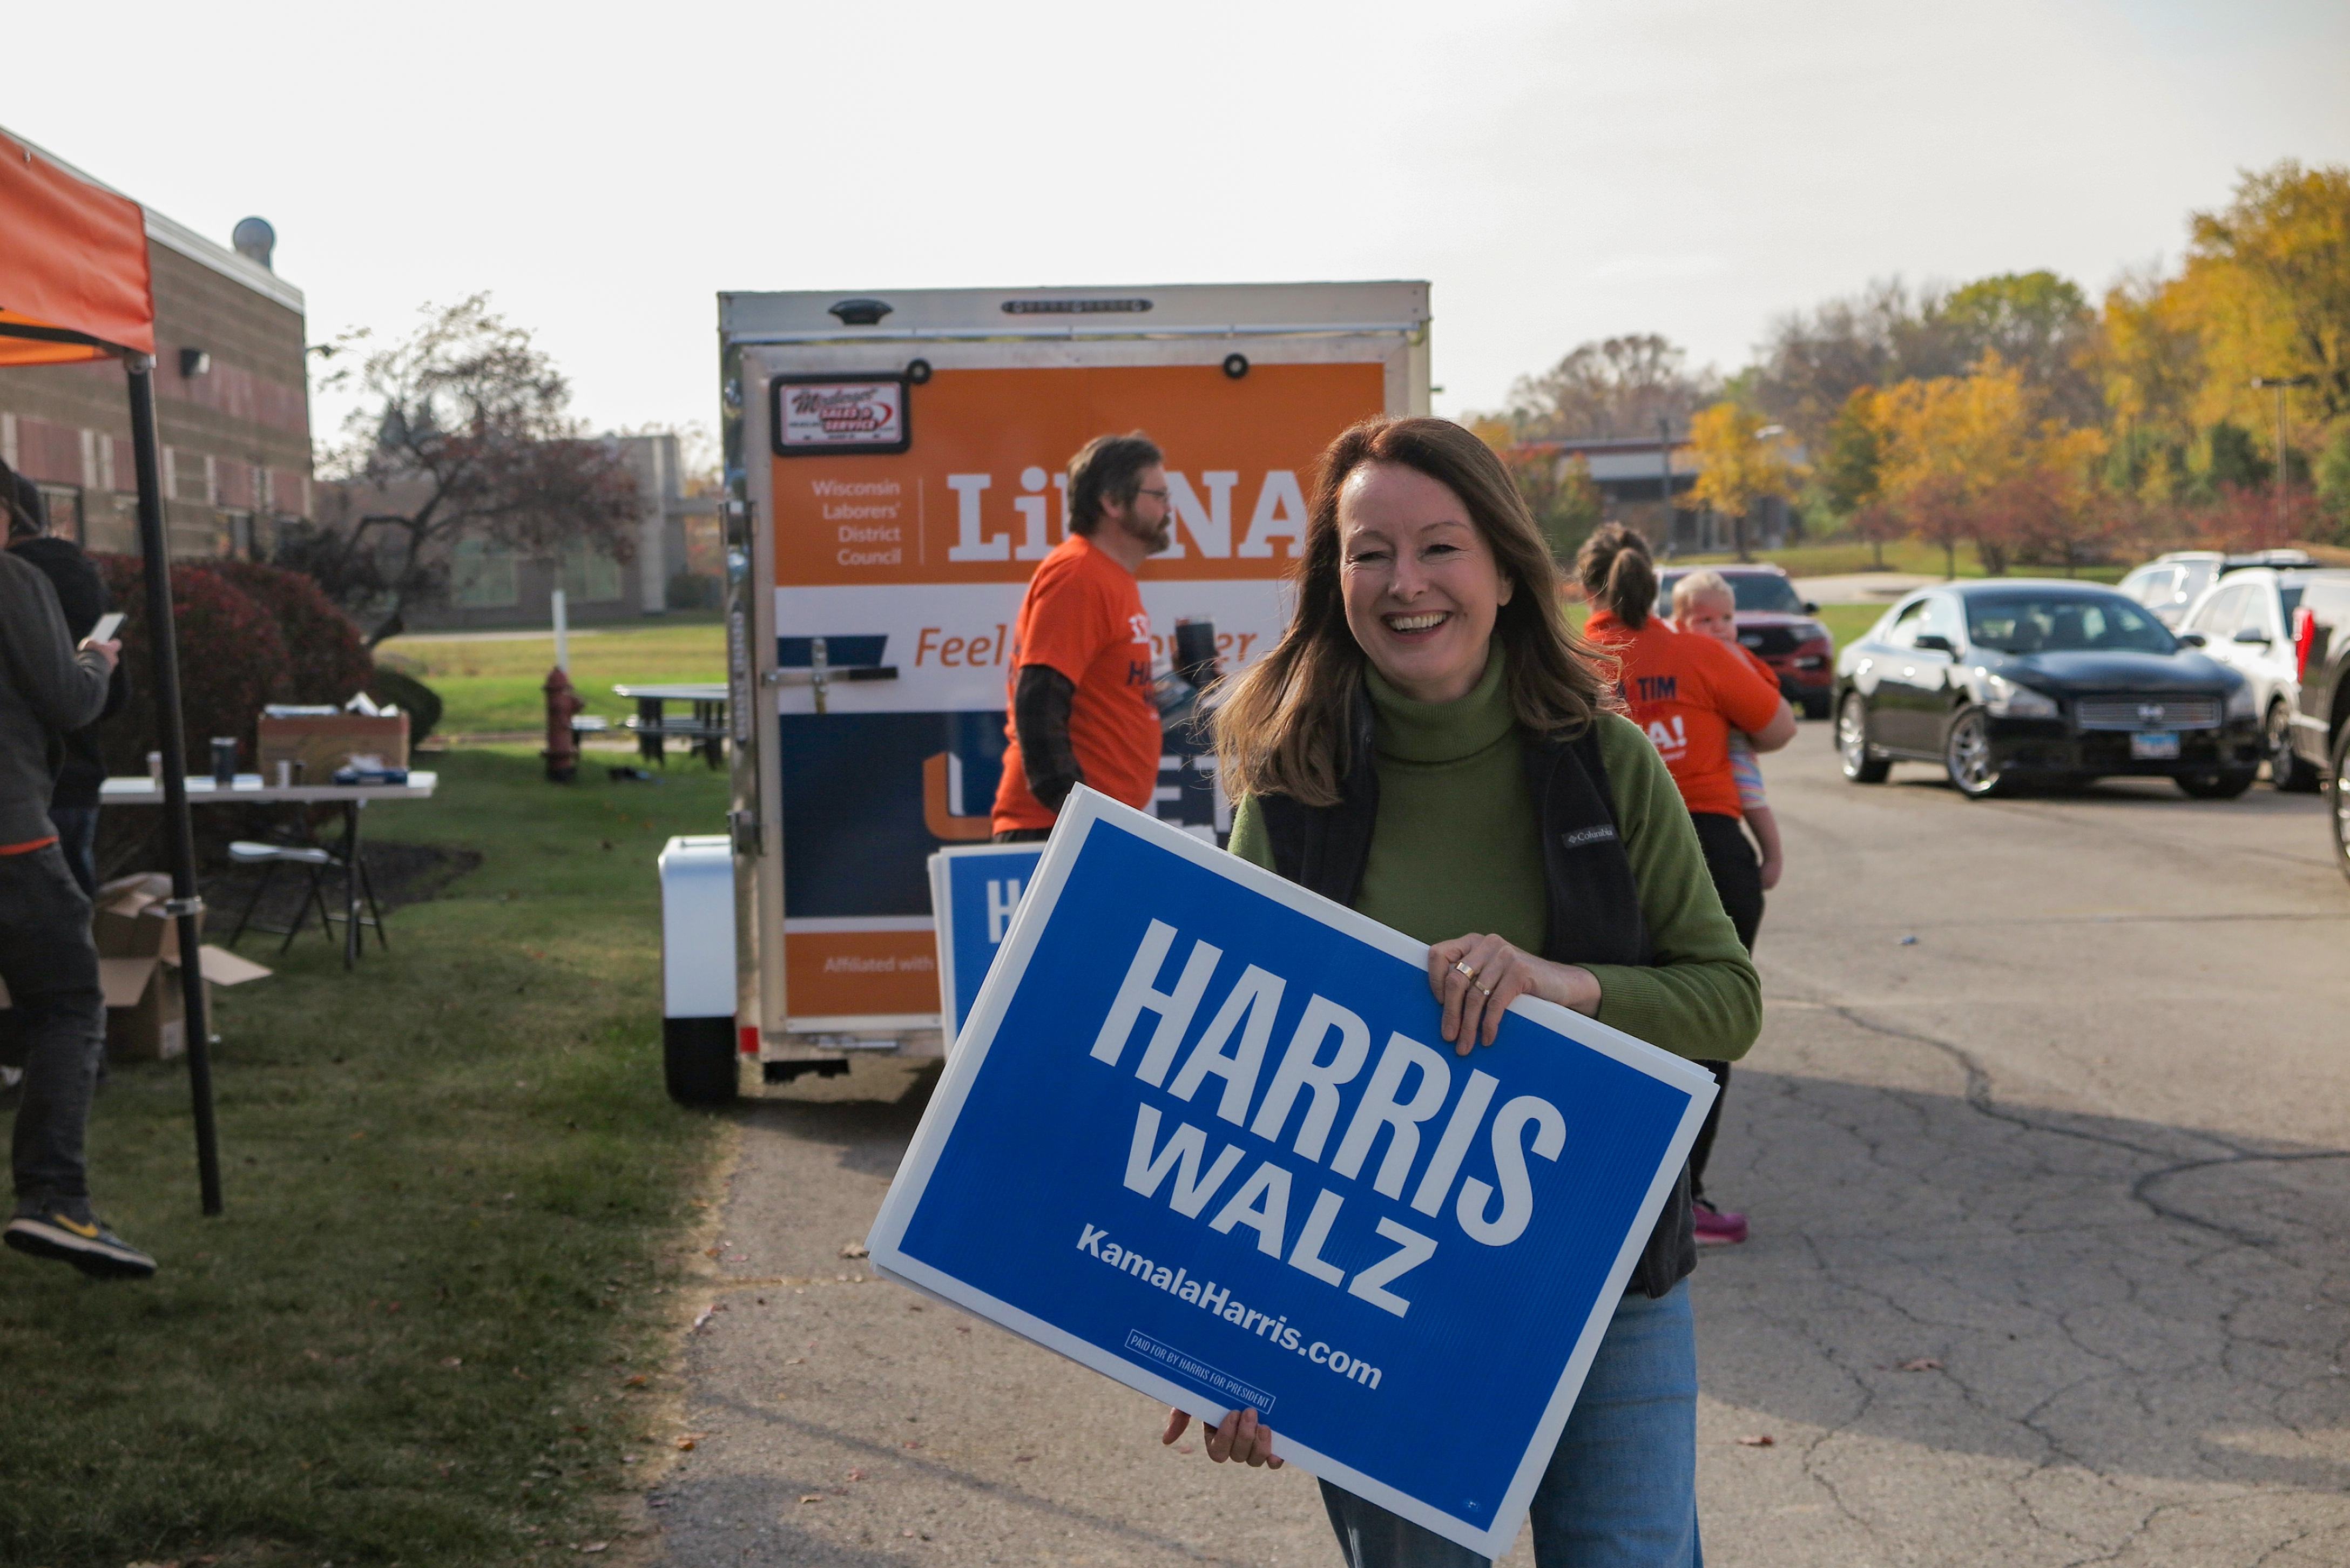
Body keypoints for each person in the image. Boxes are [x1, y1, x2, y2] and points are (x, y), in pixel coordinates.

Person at [1165, 417, 1761, 1567]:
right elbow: (1227, 1082)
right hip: (1372, 1304)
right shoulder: (1290, 796)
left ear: (1500, 568)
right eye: (1367, 552)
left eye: (1439, 547)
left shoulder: (1604, 757)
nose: (1404, 583)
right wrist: (1226, 1342)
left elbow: (1723, 999)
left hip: (1608, 1281)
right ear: (1331, 580)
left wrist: (1563, 987)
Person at [1577, 528, 1793, 1251]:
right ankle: (1682, 1200)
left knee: (1599, 1022)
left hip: (1597, 855)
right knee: (1701, 1025)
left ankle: (1598, 1196)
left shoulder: (1568, 658)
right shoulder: (1698, 654)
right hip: (1710, 848)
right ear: (1651, 584)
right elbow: (1780, 727)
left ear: (1587, 587)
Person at [0, 527, 155, 1279]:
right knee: (67, 1004)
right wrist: (95, 660)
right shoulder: (12, 579)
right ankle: (55, 1199)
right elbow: (67, 700)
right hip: (12, 845)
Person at [990, 431, 1173, 842]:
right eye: (1157, 495)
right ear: (1111, 502)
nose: (1168, 508)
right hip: (1054, 829)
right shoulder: (1079, 575)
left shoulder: (1108, 576)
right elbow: (1038, 700)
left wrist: (1179, 689)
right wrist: (1074, 810)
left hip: (1084, 824)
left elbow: (1106, 698)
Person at [5, 463, 125, 897]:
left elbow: (67, 698)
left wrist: (90, 668)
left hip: (29, 788)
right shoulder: (80, 577)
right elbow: (110, 696)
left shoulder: (18, 581)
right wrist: (97, 667)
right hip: (76, 774)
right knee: (68, 918)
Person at [1671, 571, 1782, 894]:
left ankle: (1773, 858)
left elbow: (1769, 692)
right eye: (1705, 620)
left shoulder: (1736, 653)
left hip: (1735, 740)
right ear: (1680, 624)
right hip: (1700, 741)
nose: (1719, 627)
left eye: (1727, 618)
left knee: (1751, 797)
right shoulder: (1682, 655)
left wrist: (1737, 667)